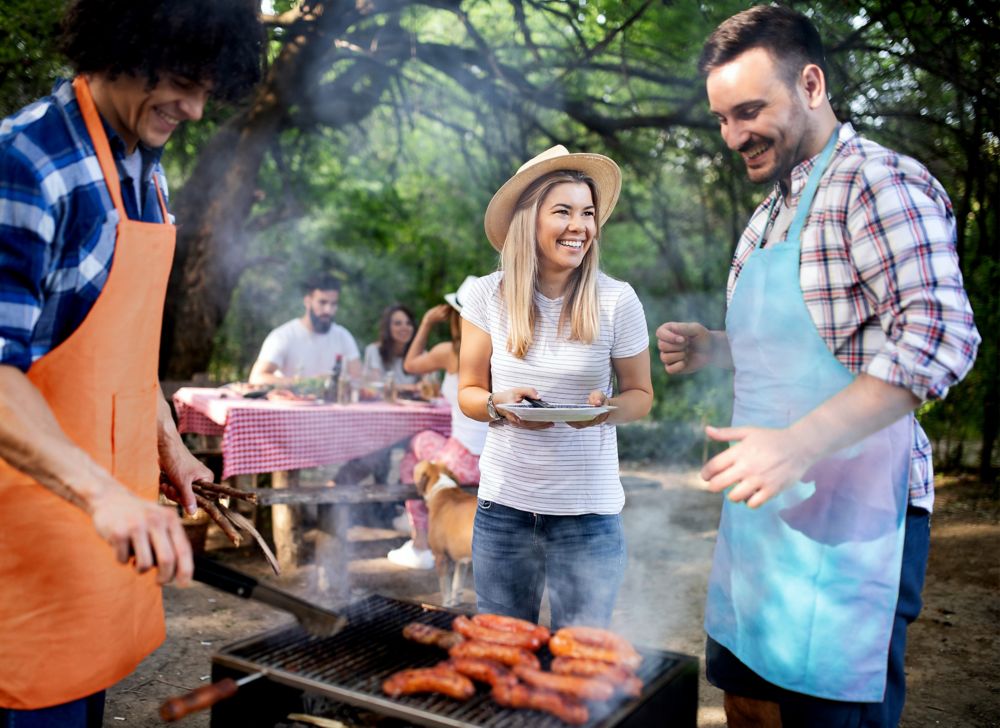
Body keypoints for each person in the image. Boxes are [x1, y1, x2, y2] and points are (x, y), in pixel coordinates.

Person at [655, 6, 980, 726]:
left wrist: (799, 442)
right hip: (762, 520)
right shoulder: (767, 215)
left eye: (748, 111)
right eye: (721, 119)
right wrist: (716, 346)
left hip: (855, 525)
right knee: (746, 708)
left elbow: (941, 336)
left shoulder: (877, 183)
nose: (733, 136)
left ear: (810, 82)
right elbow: (816, 340)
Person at [0, 0, 262, 724]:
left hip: (98, 545)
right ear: (123, 44)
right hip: (21, 554)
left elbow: (120, 348)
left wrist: (170, 446)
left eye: (210, 86)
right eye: (183, 79)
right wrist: (104, 494)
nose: (197, 108)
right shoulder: (26, 162)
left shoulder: (145, 168)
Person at [458, 146, 654, 628]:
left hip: (588, 516)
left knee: (580, 666)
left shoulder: (616, 299)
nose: (580, 226)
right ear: (529, 221)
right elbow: (468, 392)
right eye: (563, 211)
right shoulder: (484, 294)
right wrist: (496, 405)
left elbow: (641, 396)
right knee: (502, 656)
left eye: (587, 213)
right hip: (504, 509)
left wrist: (607, 409)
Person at [387, 277, 489, 570]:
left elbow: (410, 365)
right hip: (495, 460)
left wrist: (427, 323)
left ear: (456, 317)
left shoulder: (451, 352)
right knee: (429, 444)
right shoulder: (505, 350)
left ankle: (422, 544)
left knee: (413, 454)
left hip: (464, 462)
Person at [249, 273, 363, 385]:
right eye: (322, 302)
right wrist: (306, 384)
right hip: (293, 402)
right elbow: (257, 377)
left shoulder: (343, 337)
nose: (328, 310)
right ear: (307, 301)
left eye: (333, 304)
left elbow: (358, 380)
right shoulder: (283, 336)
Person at [362, 304, 419, 389]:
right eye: (398, 323)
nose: (405, 327)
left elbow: (429, 385)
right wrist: (413, 387)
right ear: (387, 328)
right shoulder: (374, 351)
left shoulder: (419, 354)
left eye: (409, 323)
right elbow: (376, 386)